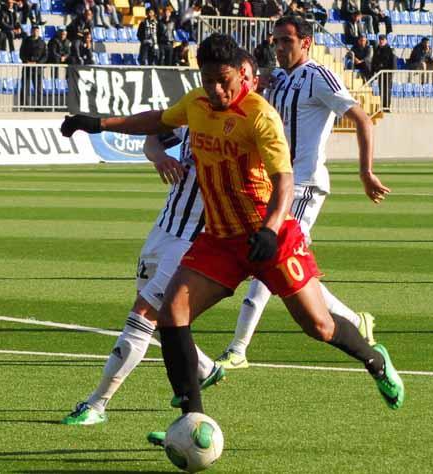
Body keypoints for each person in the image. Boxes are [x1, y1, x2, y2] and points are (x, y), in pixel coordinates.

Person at [60, 33, 404, 433]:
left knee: (320, 326)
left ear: (242, 74)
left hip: (268, 235)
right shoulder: (197, 103)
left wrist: (270, 231)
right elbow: (160, 120)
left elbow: (284, 181)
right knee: (172, 313)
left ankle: (375, 360)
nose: (217, 90)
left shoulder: (259, 115)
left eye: (223, 81)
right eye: (208, 81)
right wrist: (98, 123)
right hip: (220, 238)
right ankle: (191, 419)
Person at [60, 50, 260, 426]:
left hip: (196, 240)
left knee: (144, 314)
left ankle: (96, 404)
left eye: (243, 76)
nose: (231, 85)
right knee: (157, 316)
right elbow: (154, 134)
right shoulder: (198, 112)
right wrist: (159, 158)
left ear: (250, 79)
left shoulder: (255, 124)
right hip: (165, 227)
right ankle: (204, 368)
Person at [216, 15, 391, 370]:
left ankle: (238, 348)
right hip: (277, 185)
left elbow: (362, 118)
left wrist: (366, 172)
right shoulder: (280, 79)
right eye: (276, 41)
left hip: (305, 185)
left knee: (268, 259)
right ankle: (355, 321)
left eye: (287, 41)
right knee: (290, 269)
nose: (279, 47)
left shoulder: (319, 76)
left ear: (306, 43)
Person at [19, 24, 46, 108]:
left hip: (38, 69)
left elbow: (45, 55)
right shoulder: (26, 41)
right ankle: (24, 106)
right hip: (27, 68)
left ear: (39, 31)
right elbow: (21, 53)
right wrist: (26, 61)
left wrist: (38, 63)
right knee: (25, 87)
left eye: (37, 30)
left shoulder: (42, 42)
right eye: (33, 30)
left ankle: (39, 107)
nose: (35, 32)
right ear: (31, 31)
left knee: (38, 89)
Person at [371, 33, 396, 110]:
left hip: (387, 73)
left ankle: (387, 106)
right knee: (381, 89)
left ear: (386, 40)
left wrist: (391, 72)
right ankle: (382, 105)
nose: (381, 41)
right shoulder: (377, 49)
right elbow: (374, 60)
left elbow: (393, 61)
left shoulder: (390, 49)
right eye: (380, 40)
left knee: (387, 89)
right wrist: (373, 71)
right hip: (380, 72)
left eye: (383, 40)